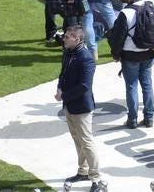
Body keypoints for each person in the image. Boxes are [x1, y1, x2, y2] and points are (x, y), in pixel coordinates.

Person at [56, 24, 103, 191]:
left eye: (67, 36)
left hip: (81, 107)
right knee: (77, 139)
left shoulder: (86, 58)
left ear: (77, 38)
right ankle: (83, 171)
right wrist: (60, 88)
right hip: (69, 105)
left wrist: (64, 96)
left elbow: (84, 86)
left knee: (87, 141)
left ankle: (96, 178)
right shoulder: (68, 52)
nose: (64, 38)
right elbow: (62, 74)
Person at [109, 0, 154, 129]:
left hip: (131, 56)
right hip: (149, 54)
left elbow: (118, 38)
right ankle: (149, 118)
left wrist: (116, 54)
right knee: (147, 85)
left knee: (131, 87)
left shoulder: (125, 13)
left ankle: (133, 120)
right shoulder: (150, 7)